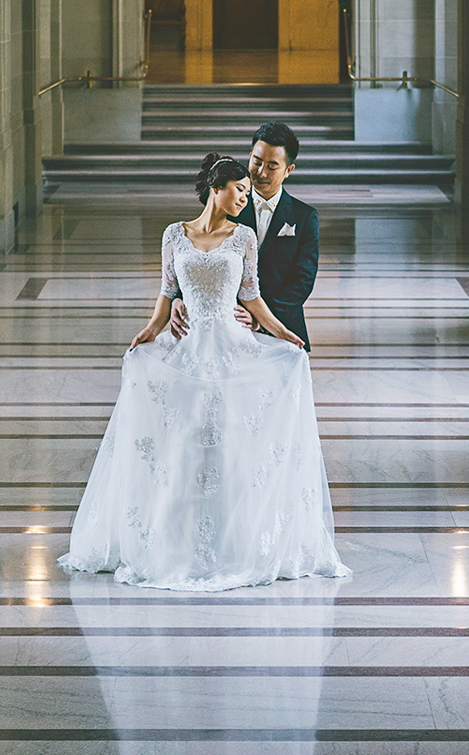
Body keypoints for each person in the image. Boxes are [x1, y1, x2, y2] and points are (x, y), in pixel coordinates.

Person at [57, 153, 349, 592]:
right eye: (240, 189)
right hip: (186, 351)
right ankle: (178, 539)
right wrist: (149, 332)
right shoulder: (175, 235)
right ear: (217, 188)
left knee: (230, 444)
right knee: (184, 446)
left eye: (248, 191)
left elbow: (253, 299)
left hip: (233, 349)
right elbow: (165, 294)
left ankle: (234, 541)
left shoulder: (244, 238)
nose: (245, 195)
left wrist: (285, 334)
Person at [169, 121, 320, 348]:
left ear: (288, 170)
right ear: (250, 156)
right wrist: (178, 298)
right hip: (225, 328)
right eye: (256, 162)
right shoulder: (228, 204)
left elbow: (302, 281)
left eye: (272, 166)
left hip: (281, 326)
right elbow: (199, 252)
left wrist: (259, 317)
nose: (260, 172)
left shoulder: (305, 217)